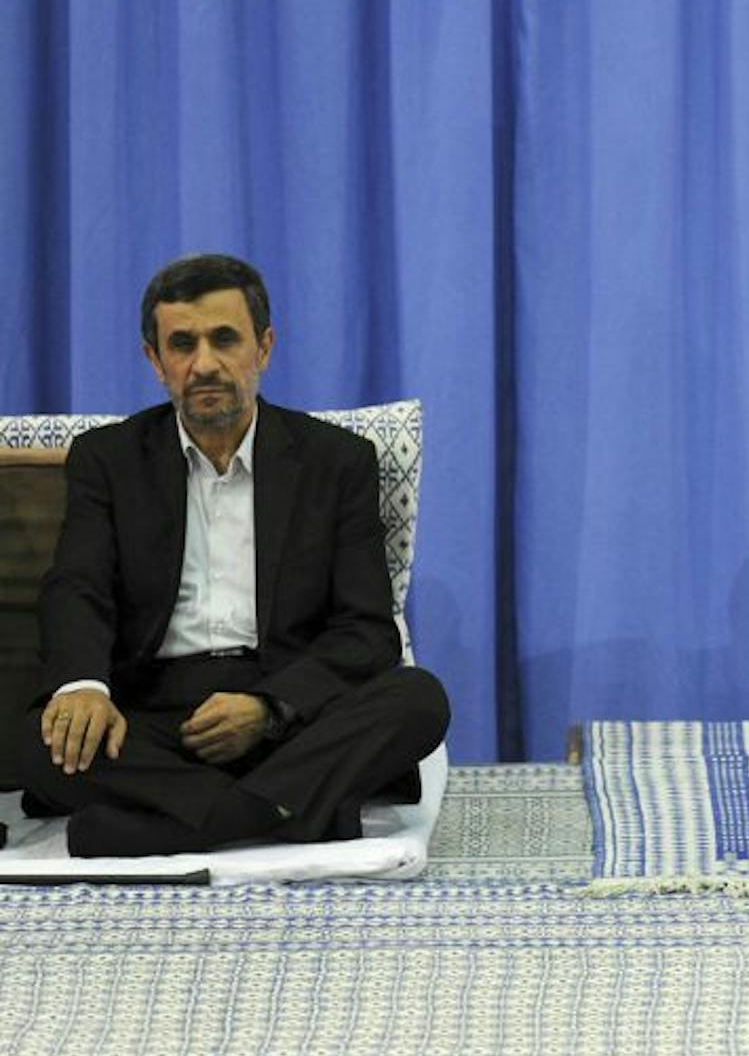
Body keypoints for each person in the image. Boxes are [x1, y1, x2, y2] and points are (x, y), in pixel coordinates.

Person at [17, 254, 449, 857]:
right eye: (182, 344)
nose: (205, 365)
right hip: (155, 712)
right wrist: (84, 687)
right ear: (155, 360)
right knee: (35, 738)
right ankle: (290, 813)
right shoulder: (108, 459)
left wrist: (269, 709)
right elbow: (77, 587)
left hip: (284, 710)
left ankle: (177, 824)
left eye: (225, 339)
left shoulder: (336, 461)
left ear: (263, 348)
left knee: (418, 700)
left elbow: (366, 630)